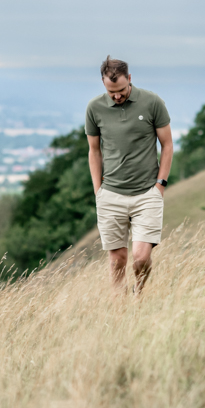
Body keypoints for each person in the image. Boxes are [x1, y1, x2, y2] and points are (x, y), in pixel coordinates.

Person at [85, 56, 173, 294]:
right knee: (117, 260)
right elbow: (94, 151)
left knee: (141, 258)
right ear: (103, 83)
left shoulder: (153, 102)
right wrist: (98, 191)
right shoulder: (94, 108)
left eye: (121, 89)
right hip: (110, 194)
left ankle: (139, 293)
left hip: (147, 193)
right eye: (111, 91)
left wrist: (160, 186)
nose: (117, 95)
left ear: (130, 79)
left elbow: (167, 145)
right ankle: (118, 306)